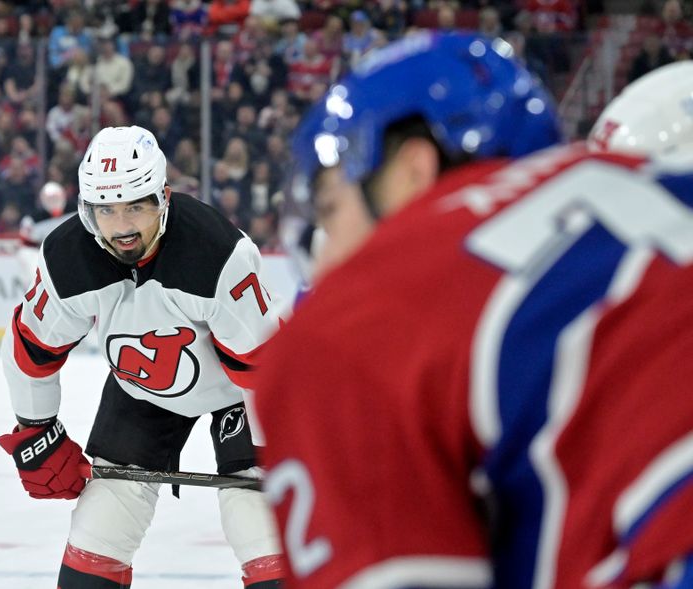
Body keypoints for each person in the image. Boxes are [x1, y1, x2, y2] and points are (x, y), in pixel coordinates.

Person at [254, 32, 693, 588]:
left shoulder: (362, 314)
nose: (325, 256)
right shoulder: (651, 189)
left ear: (414, 171)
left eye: (330, 207)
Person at [0, 125, 285, 589]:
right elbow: (30, 349)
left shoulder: (218, 253)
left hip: (241, 390)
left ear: (164, 197)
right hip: (142, 387)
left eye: (137, 205)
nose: (124, 226)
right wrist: (37, 430)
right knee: (99, 529)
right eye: (106, 210)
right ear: (85, 210)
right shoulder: (67, 257)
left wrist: (284, 455)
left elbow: (264, 371)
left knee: (260, 524)